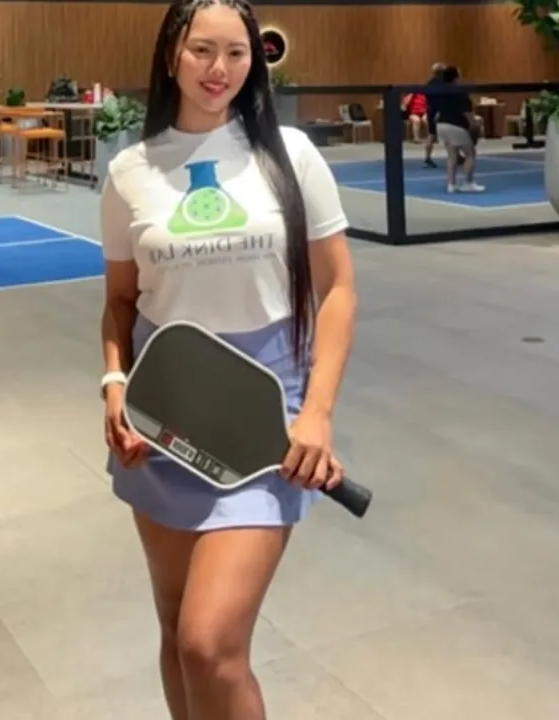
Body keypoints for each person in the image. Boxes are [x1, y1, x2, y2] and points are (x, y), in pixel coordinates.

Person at [99, 1, 356, 719]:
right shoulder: (130, 171)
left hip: (265, 419)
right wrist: (114, 382)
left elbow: (337, 290)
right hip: (161, 420)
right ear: (171, 56)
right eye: (203, 51)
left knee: (210, 644)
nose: (220, 69)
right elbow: (120, 301)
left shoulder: (292, 156)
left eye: (237, 53)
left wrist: (317, 413)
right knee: (176, 632)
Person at [435, 65, 484, 193]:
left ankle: (451, 184)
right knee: (470, 154)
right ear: (456, 77)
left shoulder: (441, 91)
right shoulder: (460, 92)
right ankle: (468, 182)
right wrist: (474, 126)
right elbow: (467, 112)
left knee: (452, 156)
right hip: (455, 125)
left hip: (441, 125)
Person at [423, 61, 445, 168]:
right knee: (450, 134)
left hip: (431, 110)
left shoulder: (429, 83)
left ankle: (427, 157)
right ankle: (456, 155)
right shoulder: (445, 84)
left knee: (431, 134)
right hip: (442, 111)